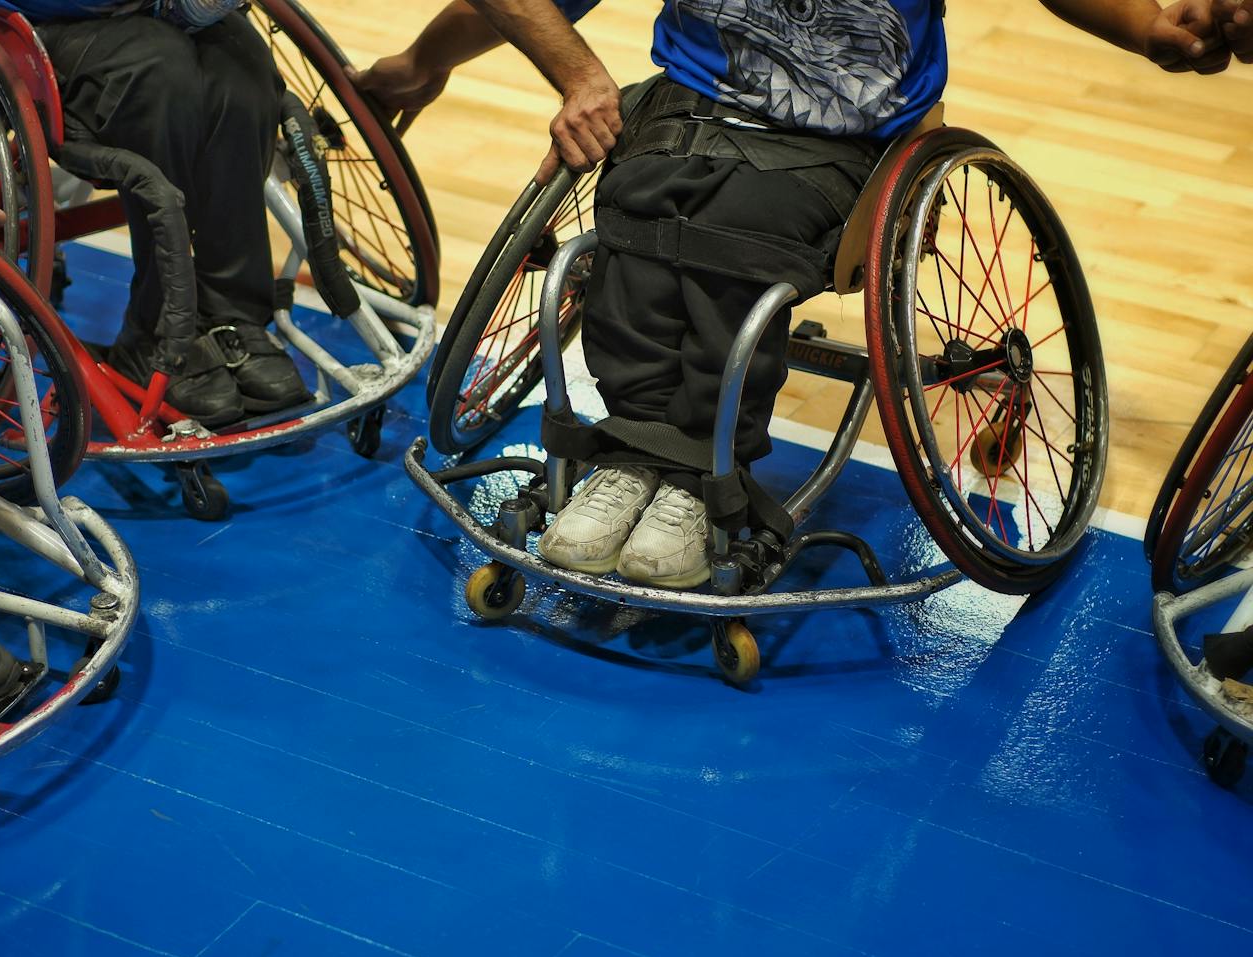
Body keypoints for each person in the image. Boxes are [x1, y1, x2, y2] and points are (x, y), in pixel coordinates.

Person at [356, 0, 1234, 589]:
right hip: (689, 109)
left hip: (839, 143)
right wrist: (429, 63)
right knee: (631, 202)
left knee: (743, 222)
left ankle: (701, 479)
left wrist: (1152, 30)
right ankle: (633, 456)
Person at [0, 0, 311, 427]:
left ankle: (232, 318)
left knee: (243, 67)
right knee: (161, 71)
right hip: (45, 20)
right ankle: (152, 338)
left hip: (147, 18)